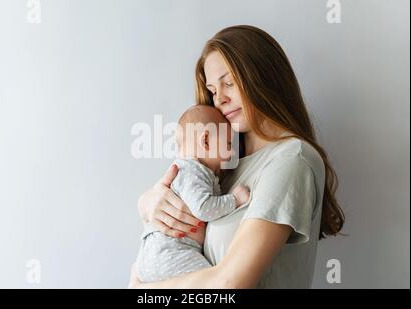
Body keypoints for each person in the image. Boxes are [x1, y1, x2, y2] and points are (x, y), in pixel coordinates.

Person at [129, 25, 345, 289]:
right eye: (212, 90)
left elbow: (230, 284)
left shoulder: (291, 160)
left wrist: (141, 290)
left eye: (228, 83)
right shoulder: (221, 167)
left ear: (263, 76)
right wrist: (147, 203)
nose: (219, 99)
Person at [135, 104, 250, 283]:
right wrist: (234, 200)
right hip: (170, 254)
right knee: (214, 283)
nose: (232, 152)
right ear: (205, 141)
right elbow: (203, 208)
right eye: (228, 144)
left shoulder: (190, 170)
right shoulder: (192, 172)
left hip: (154, 256)